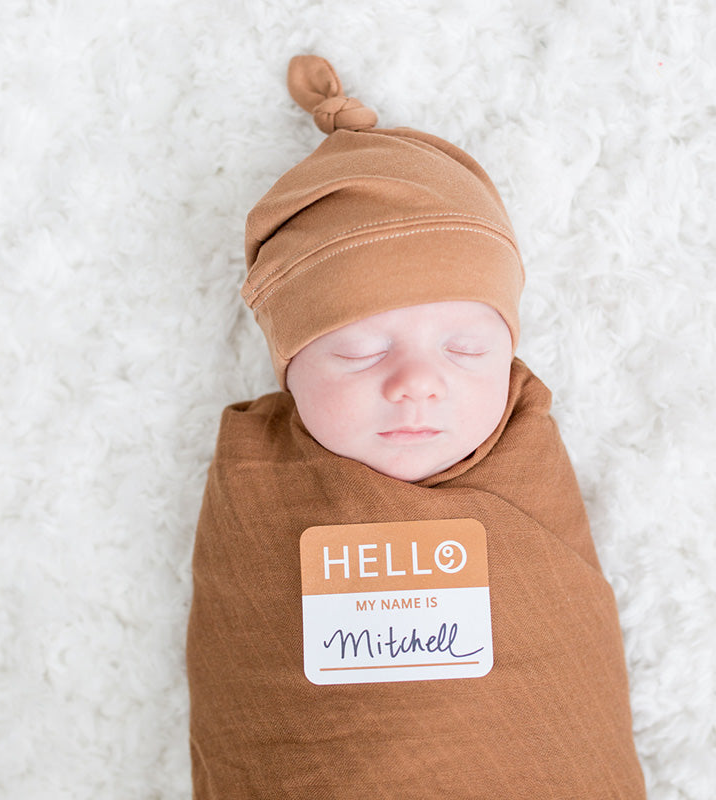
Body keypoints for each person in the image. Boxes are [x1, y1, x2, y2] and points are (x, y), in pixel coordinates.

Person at [186, 55, 645, 799]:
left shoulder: (528, 458)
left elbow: (570, 673)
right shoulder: (257, 492)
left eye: (466, 350)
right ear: (289, 364)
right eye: (359, 349)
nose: (417, 384)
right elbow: (251, 703)